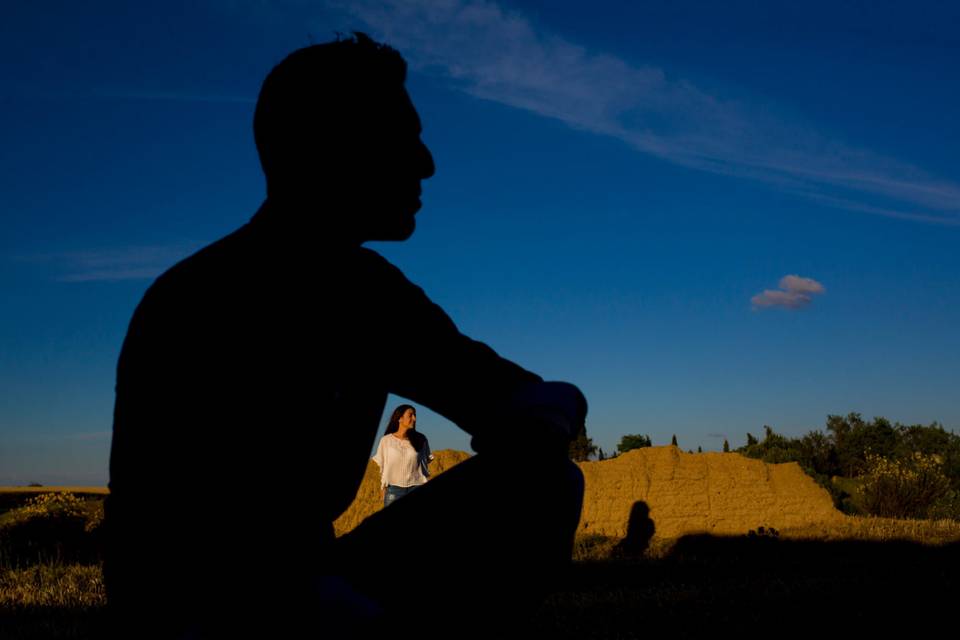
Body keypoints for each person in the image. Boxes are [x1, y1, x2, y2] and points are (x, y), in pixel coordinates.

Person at [104, 32, 586, 638]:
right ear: (334, 145)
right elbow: (158, 551)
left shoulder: (371, 295)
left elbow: (524, 395)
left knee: (542, 483)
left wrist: (536, 420)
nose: (426, 163)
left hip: (313, 582)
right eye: (404, 138)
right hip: (200, 609)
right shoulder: (198, 303)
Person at [372, 404, 434, 507]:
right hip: (394, 491)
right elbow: (384, 466)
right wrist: (383, 487)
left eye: (415, 415)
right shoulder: (386, 441)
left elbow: (424, 464)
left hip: (417, 486)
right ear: (400, 418)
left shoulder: (421, 439)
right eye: (410, 415)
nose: (414, 418)